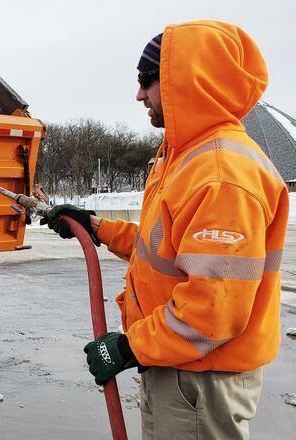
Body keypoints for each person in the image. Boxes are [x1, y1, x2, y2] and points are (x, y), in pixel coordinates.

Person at [41, 20, 289, 439]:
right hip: (178, 365)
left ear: (184, 81)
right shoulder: (186, 157)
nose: (139, 94)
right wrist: (95, 226)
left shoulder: (221, 173)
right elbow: (163, 248)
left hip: (201, 378)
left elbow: (212, 309)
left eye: (147, 81)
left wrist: (127, 348)